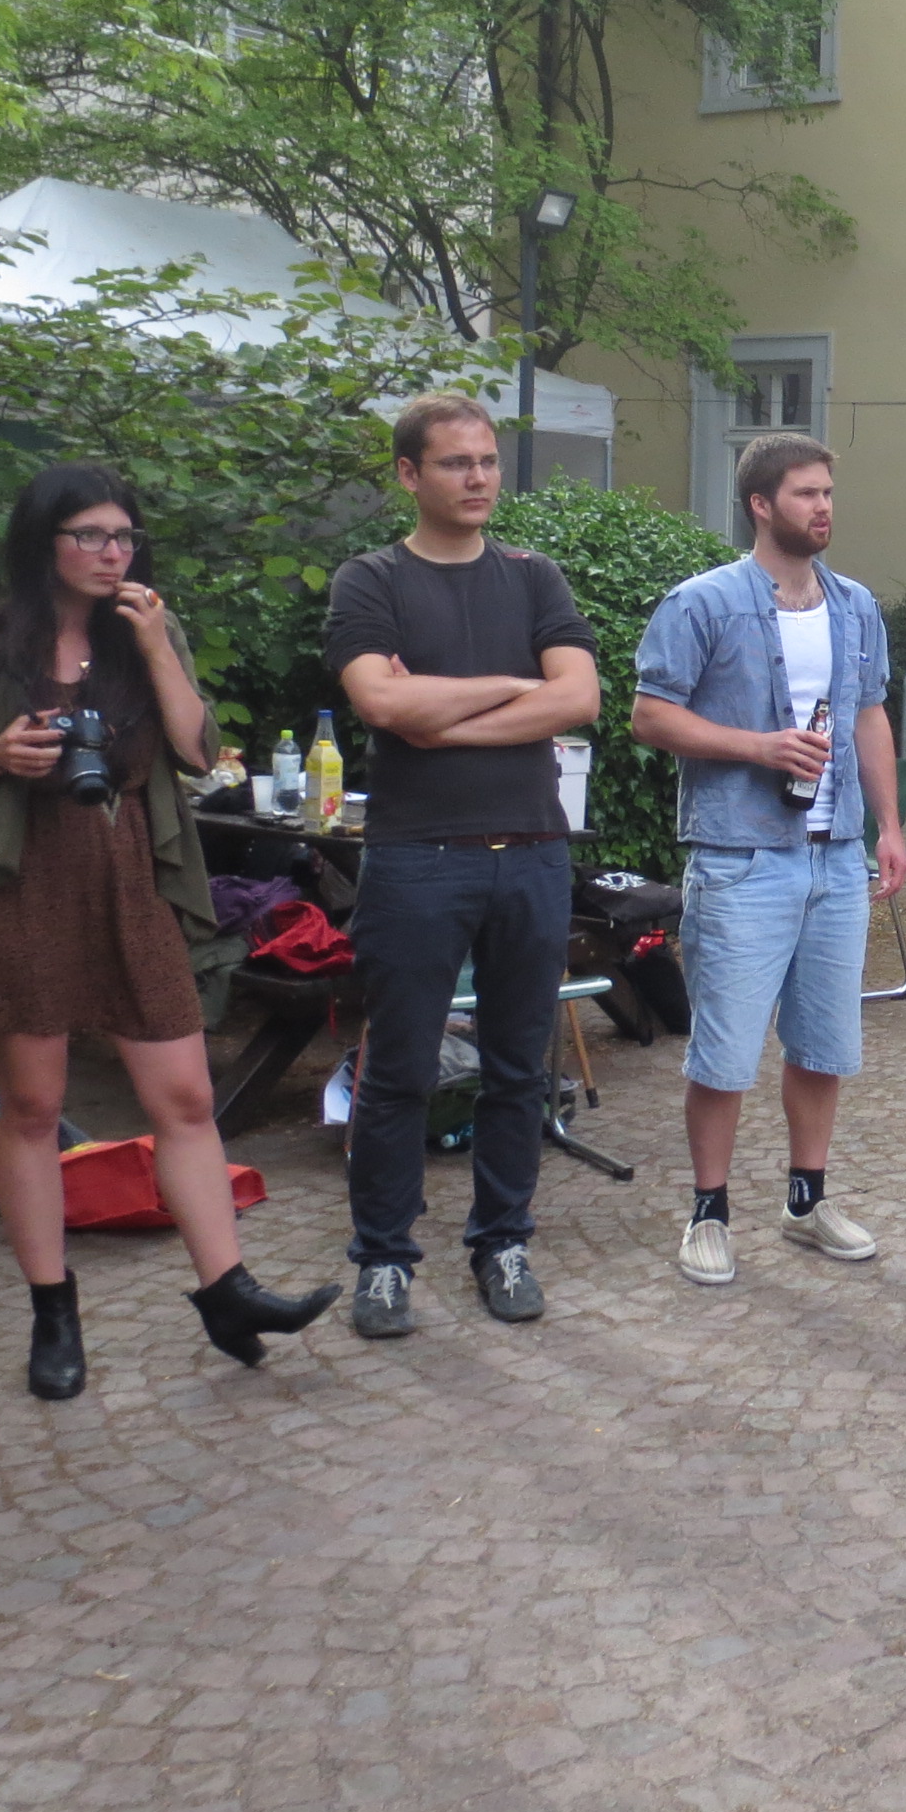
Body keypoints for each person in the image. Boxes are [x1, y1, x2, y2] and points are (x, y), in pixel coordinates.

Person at [0, 465, 340, 1398]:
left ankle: (229, 1292)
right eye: (91, 536)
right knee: (31, 1109)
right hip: (16, 888)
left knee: (184, 1097)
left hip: (129, 882)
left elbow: (196, 753)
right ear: (42, 543)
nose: (113, 553)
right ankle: (52, 1312)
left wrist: (155, 646)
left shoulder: (146, 631)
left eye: (125, 537)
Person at [326, 394, 599, 1338]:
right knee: (398, 1070)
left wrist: (440, 715)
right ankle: (383, 1260)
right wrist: (518, 685)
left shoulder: (534, 578)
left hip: (531, 854)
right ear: (409, 474)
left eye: (486, 461)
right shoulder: (371, 580)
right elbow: (381, 705)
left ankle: (503, 1243)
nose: (478, 477)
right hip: (417, 858)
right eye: (454, 463)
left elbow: (579, 698)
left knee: (520, 1069)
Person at [631, 434, 906, 1286]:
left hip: (836, 859)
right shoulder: (703, 603)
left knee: (824, 1044)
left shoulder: (855, 605)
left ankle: (806, 1201)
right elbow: (649, 715)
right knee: (724, 1053)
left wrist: (889, 827)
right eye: (805, 494)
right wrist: (758, 746)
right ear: (760, 504)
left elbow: (868, 714)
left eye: (827, 493)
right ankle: (708, 1213)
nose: (823, 507)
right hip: (743, 858)